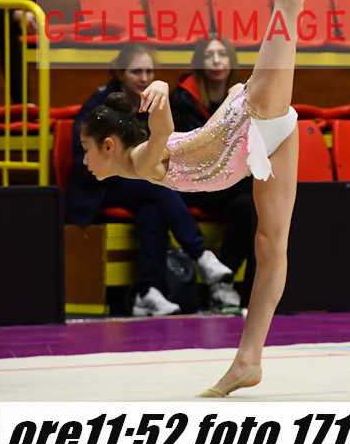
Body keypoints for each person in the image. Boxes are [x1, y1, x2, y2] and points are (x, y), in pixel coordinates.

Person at [79, 0, 334, 395]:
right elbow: (160, 135)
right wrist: (160, 101)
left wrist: (161, 93)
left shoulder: (142, 160)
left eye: (87, 149)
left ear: (110, 144)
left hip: (253, 118)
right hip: (258, 148)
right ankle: (249, 360)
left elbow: (161, 133)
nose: (85, 160)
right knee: (271, 246)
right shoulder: (138, 162)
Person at [66, 43, 234, 317]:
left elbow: (164, 140)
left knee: (152, 210)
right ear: (120, 73)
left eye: (149, 71)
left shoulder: (150, 102)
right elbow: (83, 159)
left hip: (135, 183)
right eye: (136, 72)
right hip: (97, 187)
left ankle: (147, 292)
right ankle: (201, 254)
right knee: (154, 188)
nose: (144, 78)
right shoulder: (100, 105)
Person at [170, 35, 256, 310]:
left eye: (222, 55)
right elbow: (190, 148)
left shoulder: (243, 96)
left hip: (228, 184)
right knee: (256, 190)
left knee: (250, 206)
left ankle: (229, 283)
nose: (217, 61)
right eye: (209, 56)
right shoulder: (182, 99)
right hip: (193, 182)